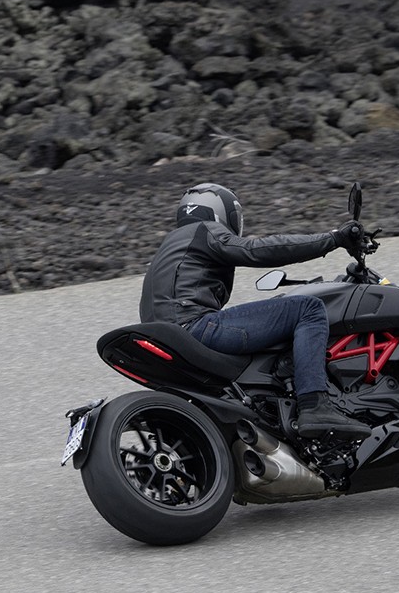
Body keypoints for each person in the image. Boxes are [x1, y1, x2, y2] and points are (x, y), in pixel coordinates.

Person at [139, 182, 372, 440]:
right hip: (195, 326)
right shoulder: (204, 230)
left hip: (168, 335)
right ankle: (314, 404)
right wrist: (333, 238)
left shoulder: (167, 249)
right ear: (221, 212)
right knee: (309, 308)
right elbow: (257, 250)